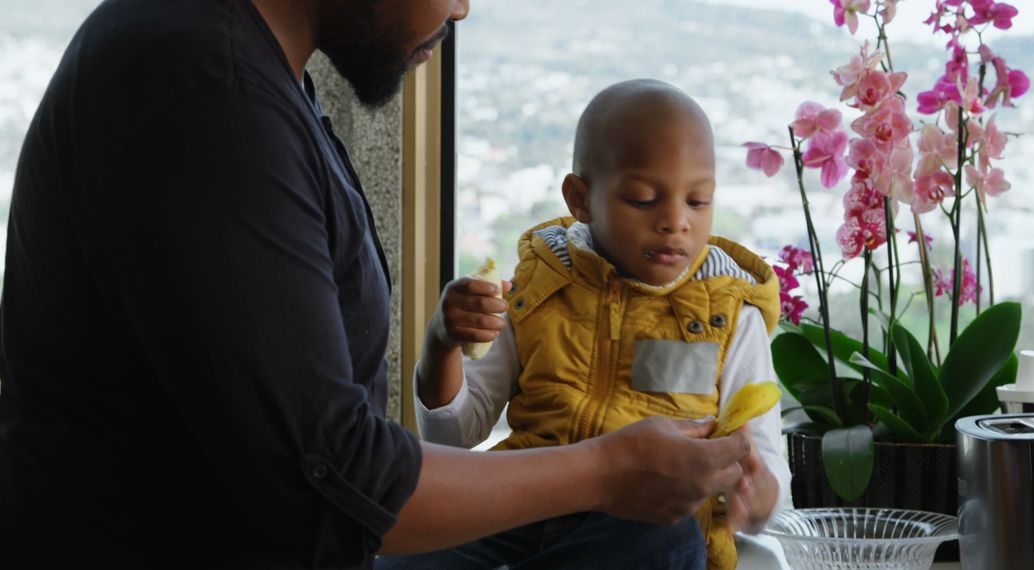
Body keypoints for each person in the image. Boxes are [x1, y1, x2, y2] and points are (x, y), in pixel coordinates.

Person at [0, 1, 756, 568]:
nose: (462, 7)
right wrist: (607, 468)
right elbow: (339, 482)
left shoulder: (239, 66)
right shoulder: (208, 93)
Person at [383, 79, 792, 570]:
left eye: (698, 201)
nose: (675, 221)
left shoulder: (731, 319)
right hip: (521, 511)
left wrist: (758, 493)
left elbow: (767, 476)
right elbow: (454, 440)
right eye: (643, 199)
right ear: (580, 198)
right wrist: (442, 344)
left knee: (672, 538)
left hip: (639, 528)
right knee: (392, 542)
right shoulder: (537, 290)